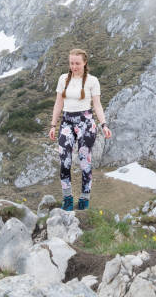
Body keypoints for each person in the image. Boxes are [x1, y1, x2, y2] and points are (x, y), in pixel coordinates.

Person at [49, 48, 112, 211]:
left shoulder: (92, 81)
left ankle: (84, 198)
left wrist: (104, 124)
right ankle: (67, 198)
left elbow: (97, 105)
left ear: (85, 63)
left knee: (85, 162)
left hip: (86, 122)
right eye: (71, 63)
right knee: (65, 161)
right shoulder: (63, 79)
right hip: (67, 121)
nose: (74, 66)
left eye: (77, 63)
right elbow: (58, 103)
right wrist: (53, 125)